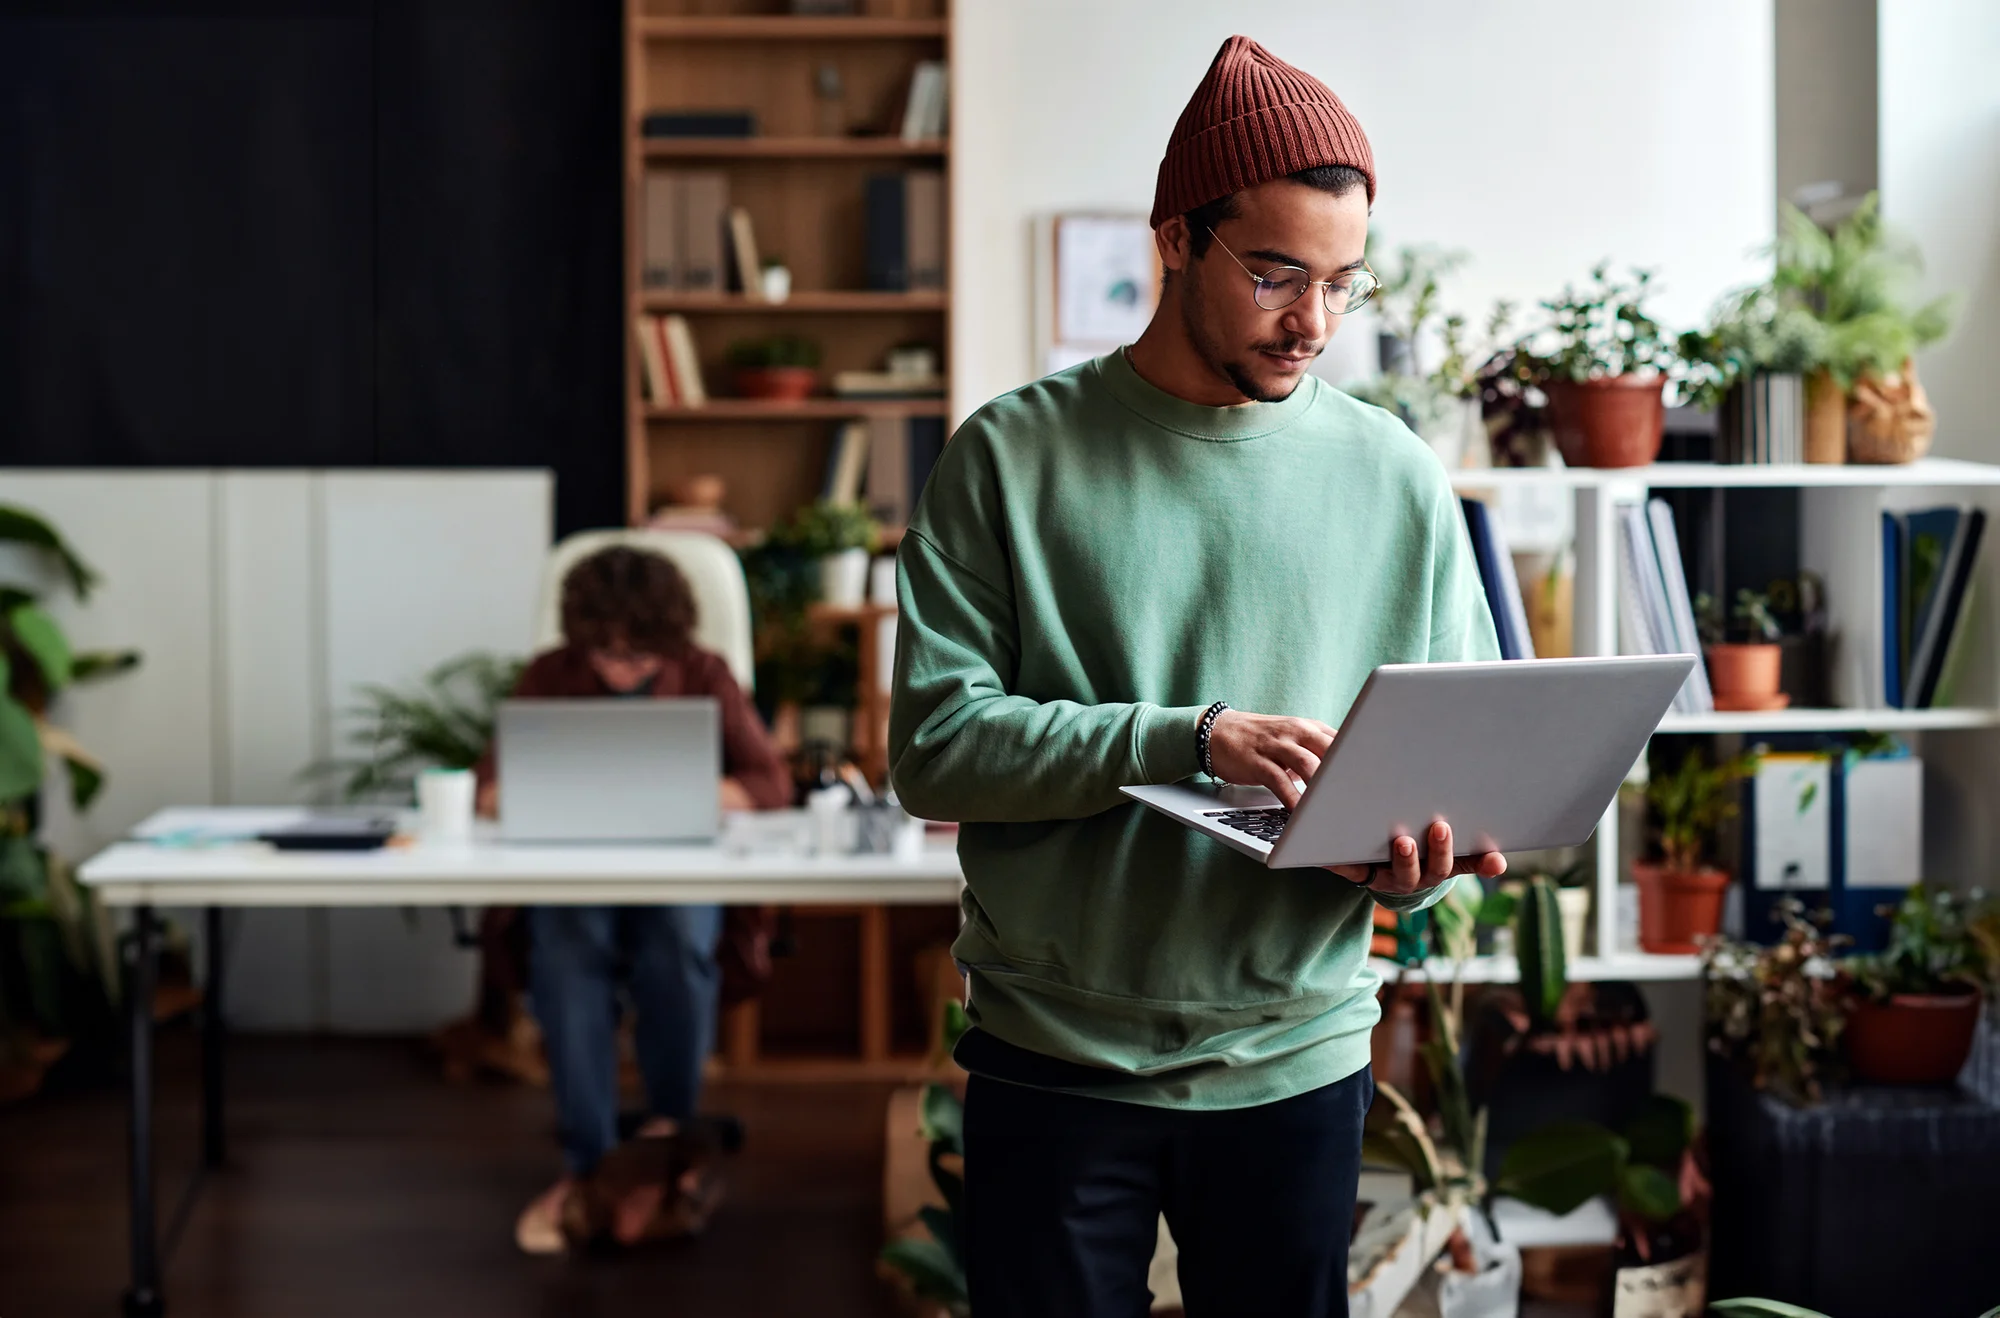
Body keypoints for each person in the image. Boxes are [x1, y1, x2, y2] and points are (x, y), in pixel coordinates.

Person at [888, 35, 1507, 1318]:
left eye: (1343, 282)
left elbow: (1456, 748)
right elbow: (937, 748)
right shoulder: (1007, 459)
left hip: (1295, 1050)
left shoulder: (1393, 475)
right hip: (1053, 1054)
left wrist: (1424, 860)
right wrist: (1189, 735)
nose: (1314, 322)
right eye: (1276, 273)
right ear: (1174, 238)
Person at [474, 545, 791, 1255]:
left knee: (679, 938)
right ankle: (589, 1164)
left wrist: (683, 792)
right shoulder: (549, 675)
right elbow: (488, 793)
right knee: (565, 946)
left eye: (641, 656)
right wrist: (551, 792)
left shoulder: (705, 673)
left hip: (678, 866)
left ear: (671, 640)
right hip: (575, 868)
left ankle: (664, 1143)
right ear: (580, 639)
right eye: (608, 655)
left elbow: (771, 784)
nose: (624, 669)